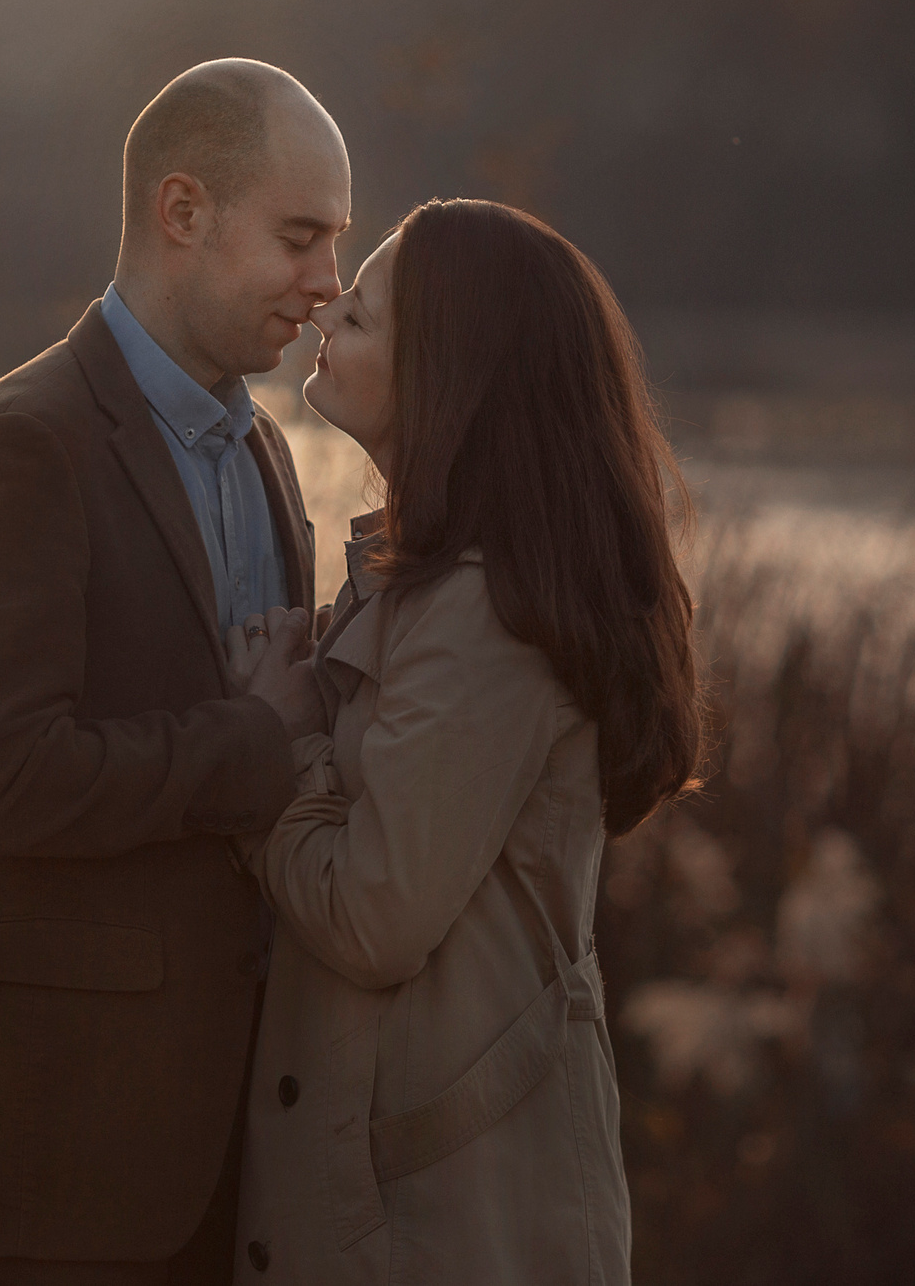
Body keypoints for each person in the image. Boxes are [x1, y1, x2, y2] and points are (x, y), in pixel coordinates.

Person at [0, 58, 353, 1283]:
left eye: (336, 243)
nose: (329, 283)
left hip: (235, 1155)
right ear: (182, 214)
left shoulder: (268, 461)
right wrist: (252, 742)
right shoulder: (26, 445)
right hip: (55, 1159)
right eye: (299, 237)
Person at [224, 198, 705, 1284]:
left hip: (444, 1228)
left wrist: (274, 745)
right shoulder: (439, 585)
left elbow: (373, 913)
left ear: (455, 368)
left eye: (366, 311)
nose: (326, 314)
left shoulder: (485, 612)